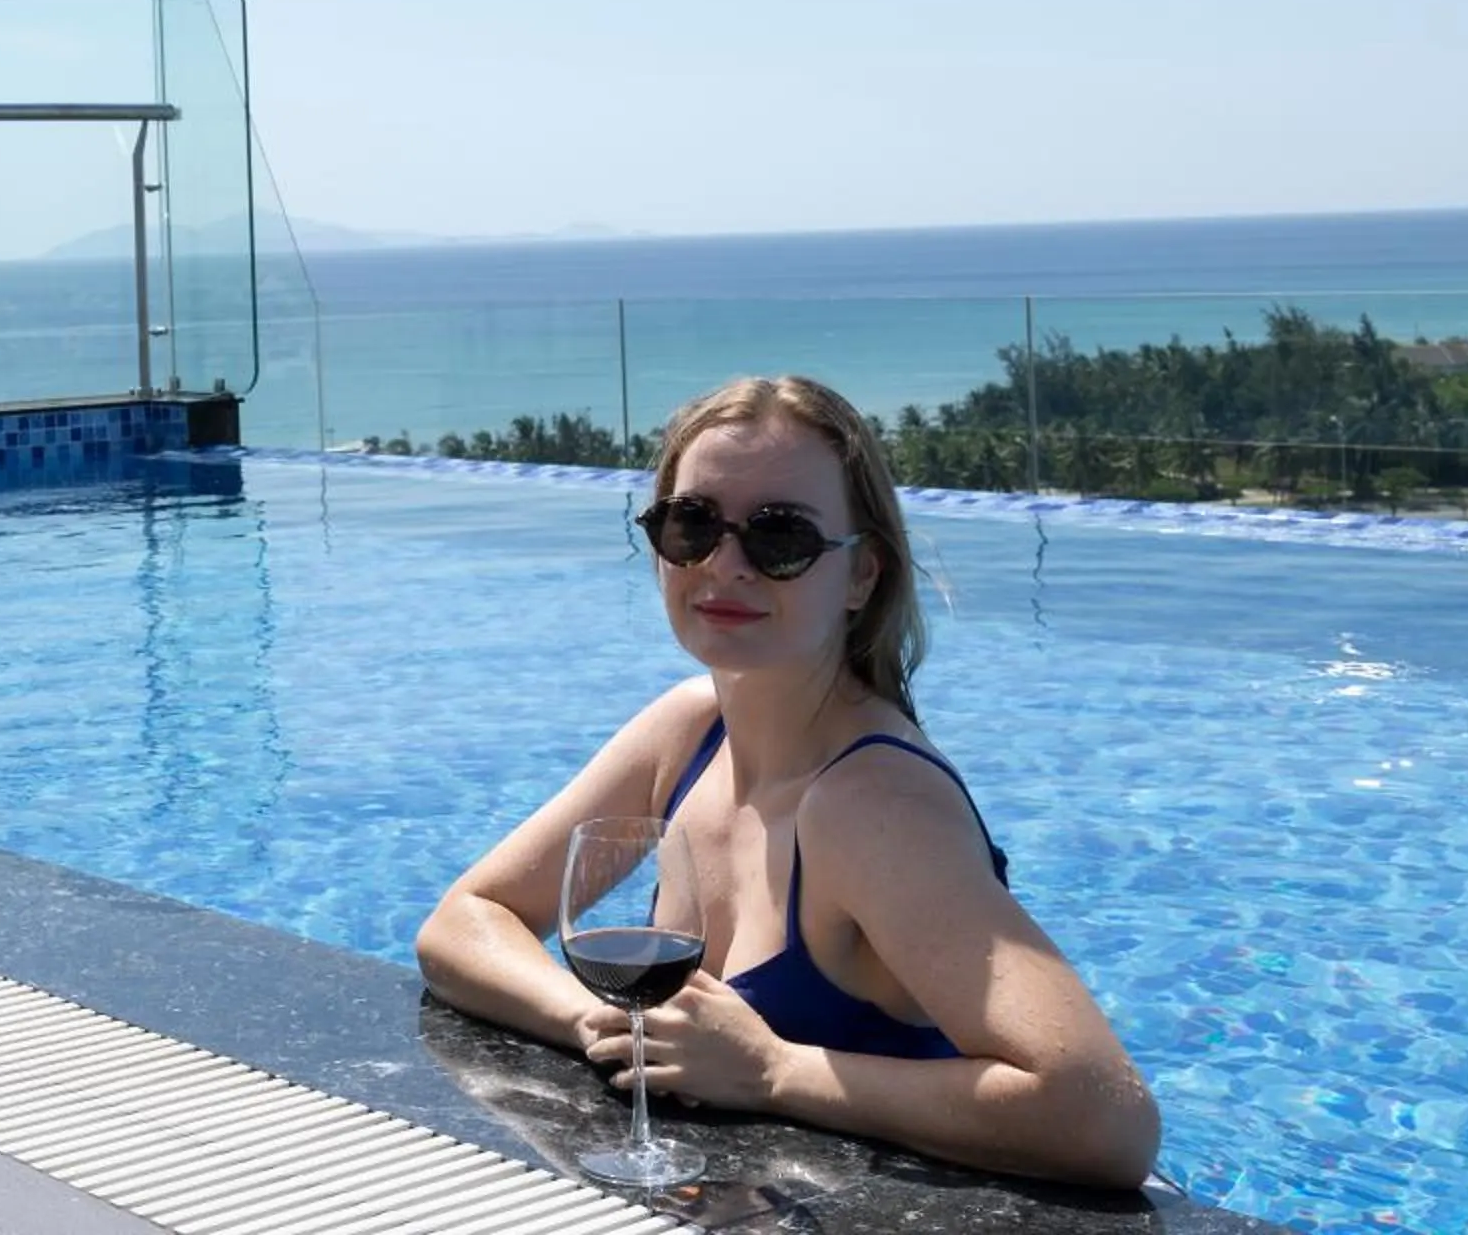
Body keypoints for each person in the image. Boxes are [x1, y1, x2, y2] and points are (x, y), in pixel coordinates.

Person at [415, 374, 1160, 1190]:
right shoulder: (689, 732)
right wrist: (610, 1024)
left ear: (861, 576)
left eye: (780, 537)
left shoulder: (871, 803)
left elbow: (1105, 1119)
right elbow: (462, 923)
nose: (724, 566)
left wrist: (772, 1070)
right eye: (692, 524)